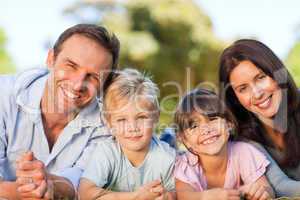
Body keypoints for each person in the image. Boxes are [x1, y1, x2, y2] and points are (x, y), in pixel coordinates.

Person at [0, 23, 120, 199]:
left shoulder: (107, 124)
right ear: (50, 59)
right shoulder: (4, 94)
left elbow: (83, 183)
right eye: (71, 65)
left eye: (93, 77)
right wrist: (34, 191)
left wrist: (50, 185)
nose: (78, 84)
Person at [219, 39, 300, 196]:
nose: (257, 93)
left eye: (261, 77)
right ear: (235, 97)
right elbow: (279, 185)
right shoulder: (243, 139)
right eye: (243, 88)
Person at [78, 68, 176, 200]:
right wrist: (135, 197)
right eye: (122, 119)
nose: (132, 128)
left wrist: (168, 196)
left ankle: (170, 136)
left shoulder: (167, 158)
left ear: (156, 117)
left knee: (170, 141)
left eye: (141, 117)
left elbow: (181, 193)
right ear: (109, 123)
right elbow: (85, 193)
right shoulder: (107, 152)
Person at [174, 88, 274, 200]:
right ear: (185, 139)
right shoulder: (184, 165)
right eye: (194, 126)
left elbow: (266, 188)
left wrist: (261, 192)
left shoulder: (243, 152)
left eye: (212, 119)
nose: (206, 130)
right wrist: (205, 197)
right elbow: (183, 196)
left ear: (229, 123)